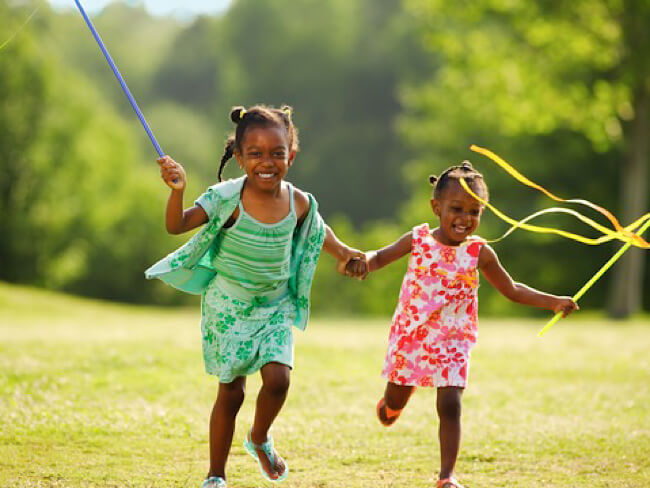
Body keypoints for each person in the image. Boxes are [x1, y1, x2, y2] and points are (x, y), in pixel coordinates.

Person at [145, 105, 366, 488]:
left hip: (274, 306)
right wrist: (178, 191)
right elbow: (176, 225)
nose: (267, 162)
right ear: (240, 157)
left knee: (279, 379)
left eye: (277, 153)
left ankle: (259, 437)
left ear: (291, 156)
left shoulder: (298, 202)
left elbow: (318, 233)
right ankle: (216, 475)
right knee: (231, 393)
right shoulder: (225, 199)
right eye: (256, 154)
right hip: (227, 307)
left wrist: (347, 254)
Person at [365, 161, 578, 488]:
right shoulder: (418, 239)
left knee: (450, 402)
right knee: (396, 398)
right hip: (412, 335)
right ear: (436, 207)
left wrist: (553, 301)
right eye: (457, 209)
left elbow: (513, 290)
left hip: (453, 339)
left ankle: (447, 476)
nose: (466, 218)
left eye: (475, 211)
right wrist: (358, 261)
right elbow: (378, 257)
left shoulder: (480, 253)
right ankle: (390, 407)